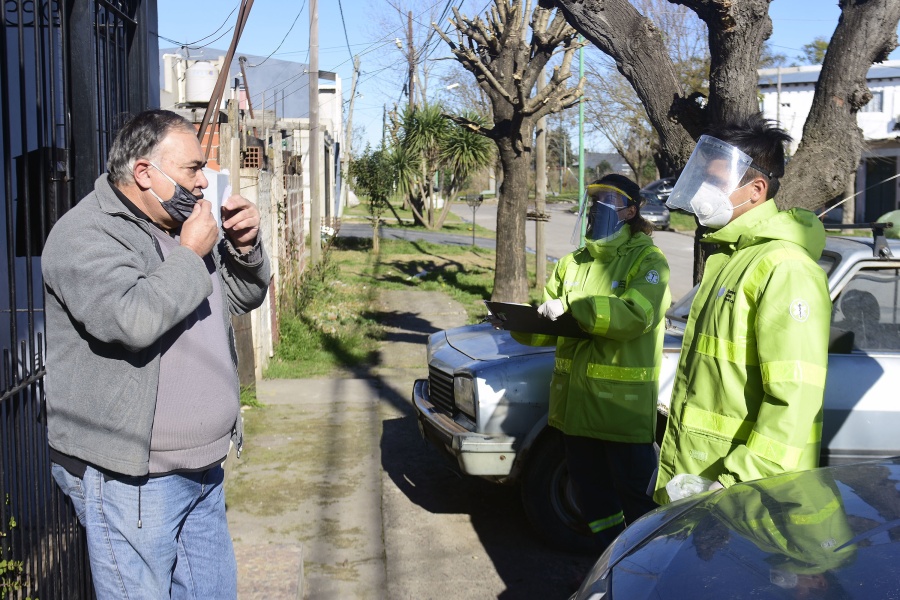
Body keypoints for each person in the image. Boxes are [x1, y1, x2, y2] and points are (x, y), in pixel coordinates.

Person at [41, 109, 270, 598]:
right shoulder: (85, 234)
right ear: (145, 173)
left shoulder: (178, 223)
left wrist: (246, 250)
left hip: (203, 468)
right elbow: (132, 320)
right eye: (192, 169)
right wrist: (190, 255)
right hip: (133, 479)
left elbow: (236, 298)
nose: (204, 183)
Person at [654, 113, 831, 504]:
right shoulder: (732, 257)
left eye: (715, 180)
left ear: (756, 190)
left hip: (751, 498)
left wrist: (736, 482)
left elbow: (793, 400)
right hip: (705, 480)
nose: (703, 189)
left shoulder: (784, 267)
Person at [509, 173, 671, 550]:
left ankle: (647, 568)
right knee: (592, 498)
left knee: (638, 500)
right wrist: (518, 323)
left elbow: (635, 315)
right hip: (574, 411)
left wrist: (575, 307)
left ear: (631, 211)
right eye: (592, 199)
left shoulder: (649, 259)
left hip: (621, 413)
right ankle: (608, 557)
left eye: (607, 200)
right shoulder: (572, 262)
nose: (595, 208)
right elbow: (550, 327)